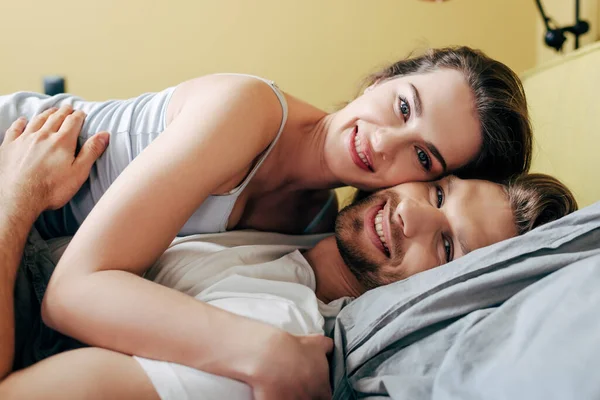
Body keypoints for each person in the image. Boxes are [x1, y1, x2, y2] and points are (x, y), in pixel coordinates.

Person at [1, 46, 534, 399]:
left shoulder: (319, 223)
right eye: (401, 106)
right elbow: (73, 292)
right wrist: (260, 351)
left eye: (423, 158)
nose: (382, 142)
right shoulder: (247, 108)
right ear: (381, 78)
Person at [0, 171, 576, 400]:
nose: (413, 215)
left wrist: (15, 200)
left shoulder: (279, 334)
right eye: (440, 193)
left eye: (448, 246)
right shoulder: (303, 218)